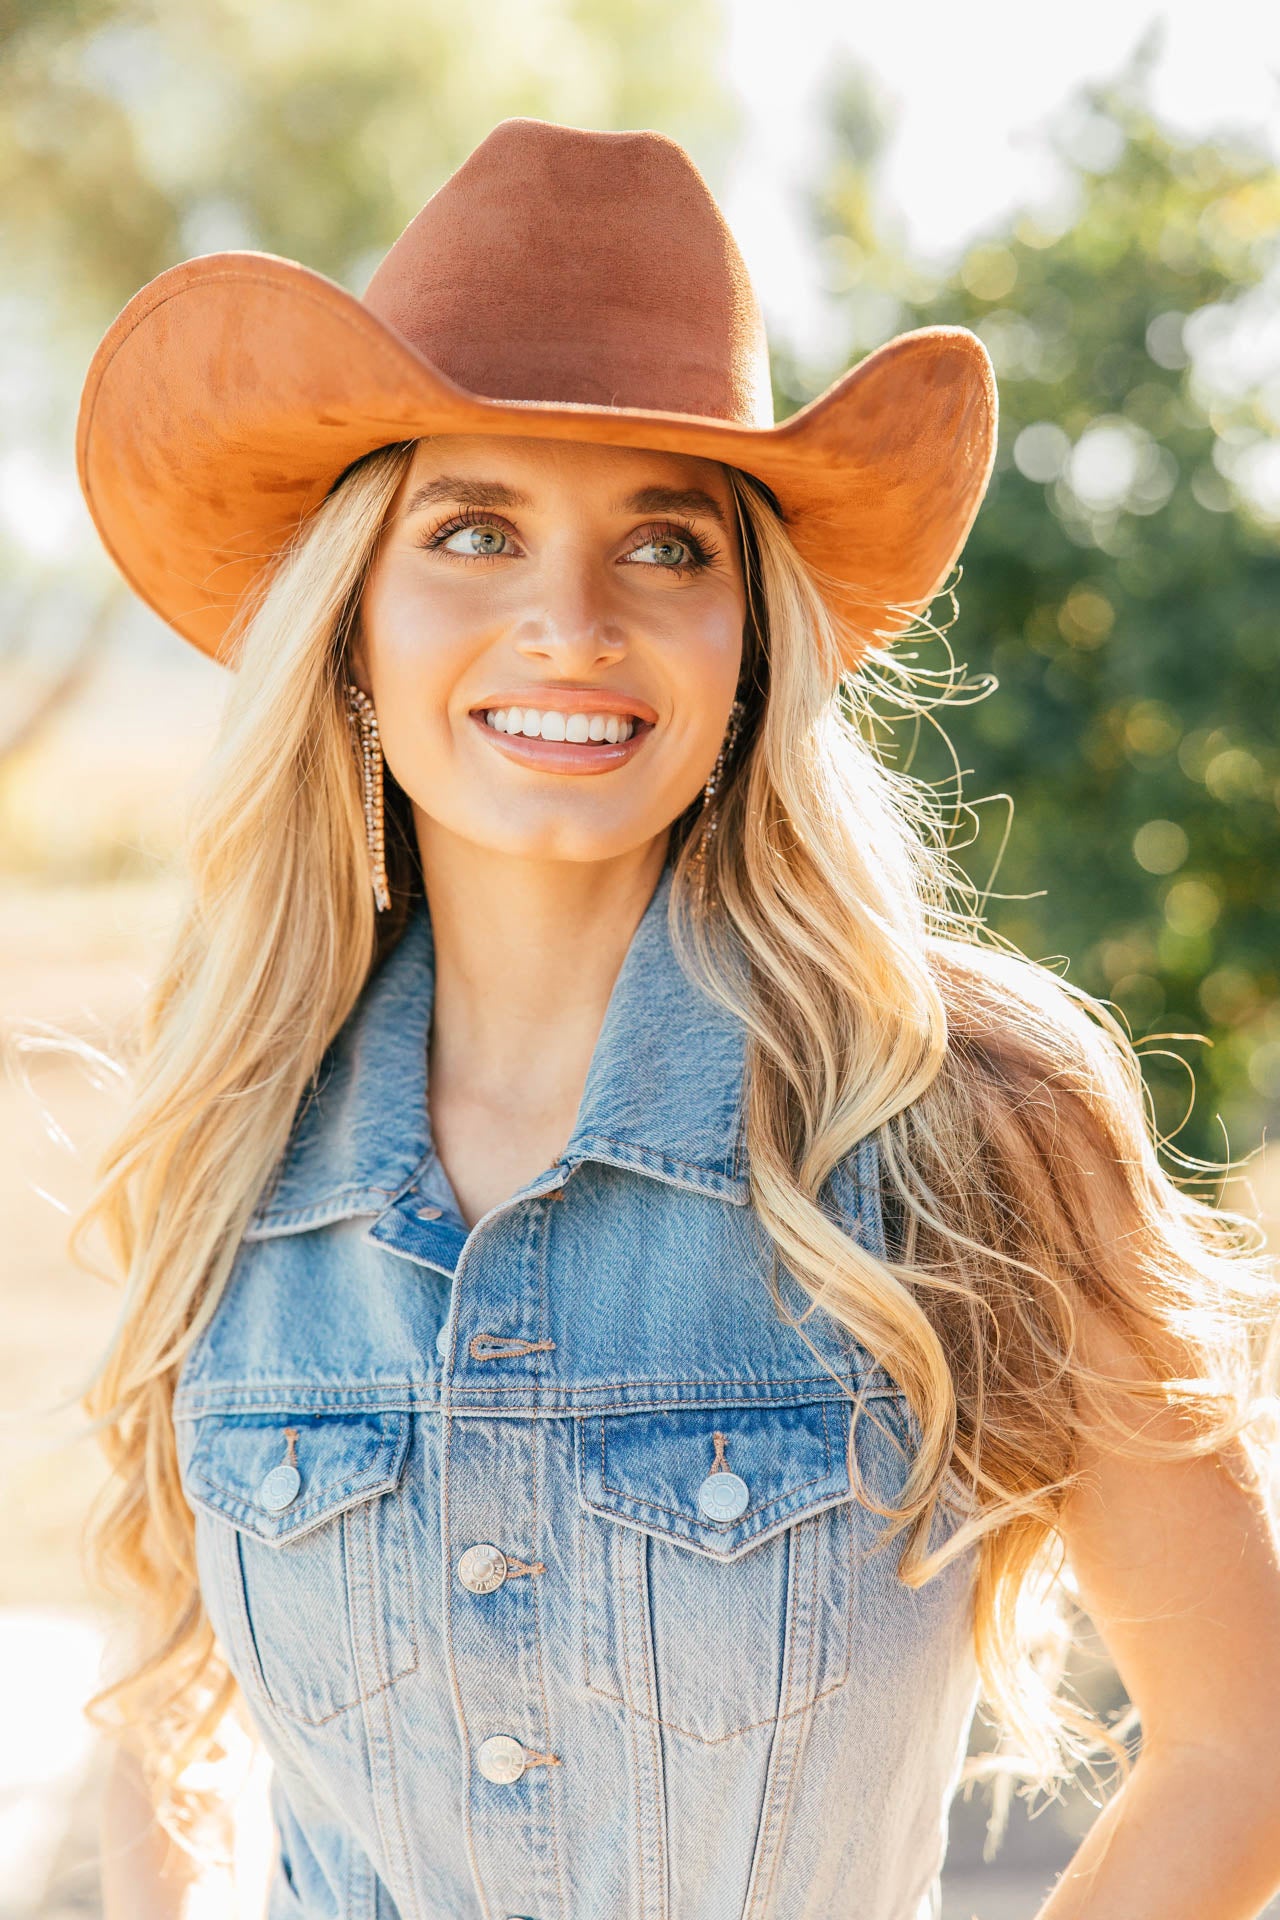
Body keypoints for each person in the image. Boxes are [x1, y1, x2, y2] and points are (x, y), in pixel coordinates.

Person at [72, 118, 1280, 1920]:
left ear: (751, 641)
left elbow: (1238, 1754)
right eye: (473, 530)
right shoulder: (236, 1127)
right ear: (353, 628)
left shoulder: (966, 1123)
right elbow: (166, 1695)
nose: (569, 623)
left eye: (664, 548)